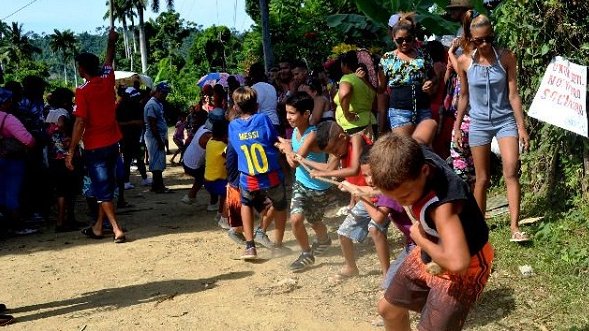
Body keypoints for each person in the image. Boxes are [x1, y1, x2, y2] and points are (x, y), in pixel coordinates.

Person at [370, 132, 493, 331]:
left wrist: (419, 238)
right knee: (388, 310)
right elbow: (428, 125)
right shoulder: (415, 154)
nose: (402, 203)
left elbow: (458, 263)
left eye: (406, 195)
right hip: (431, 250)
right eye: (395, 198)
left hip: (464, 265)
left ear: (425, 170)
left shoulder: (442, 207)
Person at [453, 13, 531, 242]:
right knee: (482, 178)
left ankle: (515, 227)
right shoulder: (464, 61)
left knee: (511, 170)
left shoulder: (506, 57)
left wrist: (522, 127)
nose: (485, 44)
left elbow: (513, 94)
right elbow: (464, 97)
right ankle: (479, 227)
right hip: (478, 123)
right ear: (472, 39)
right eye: (479, 40)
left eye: (488, 39)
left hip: (505, 120)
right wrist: (457, 127)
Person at [308, 121, 389, 279]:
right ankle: (351, 267)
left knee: (375, 229)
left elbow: (353, 169)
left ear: (342, 137)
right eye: (331, 152)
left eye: (335, 150)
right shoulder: (338, 149)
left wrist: (324, 175)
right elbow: (328, 168)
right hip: (364, 198)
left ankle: (387, 273)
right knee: (343, 233)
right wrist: (309, 165)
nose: (336, 154)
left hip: (379, 195)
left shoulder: (356, 139)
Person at [66, 28, 126, 243]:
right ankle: (98, 227)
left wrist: (71, 151)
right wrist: (112, 41)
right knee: (106, 186)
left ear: (81, 69)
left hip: (95, 145)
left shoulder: (82, 91)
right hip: (112, 141)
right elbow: (109, 59)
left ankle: (117, 229)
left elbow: (80, 122)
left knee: (102, 190)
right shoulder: (107, 78)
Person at [228, 87, 288, 259]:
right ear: (256, 105)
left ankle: (250, 247)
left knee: (246, 203)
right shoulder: (263, 119)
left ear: (236, 107)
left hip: (249, 176)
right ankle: (278, 245)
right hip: (271, 174)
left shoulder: (233, 126)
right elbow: (273, 139)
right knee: (280, 205)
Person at [275, 92, 332, 271]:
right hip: (301, 184)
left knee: (315, 221)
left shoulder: (312, 134)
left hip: (318, 187)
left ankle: (324, 240)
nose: (288, 117)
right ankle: (307, 253)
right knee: (296, 219)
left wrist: (287, 148)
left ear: (306, 114)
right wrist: (286, 144)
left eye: (292, 113)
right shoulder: (295, 132)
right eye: (287, 113)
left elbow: (294, 162)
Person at [379, 13, 437, 144]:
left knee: (425, 151)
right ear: (393, 39)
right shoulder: (387, 58)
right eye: (400, 40)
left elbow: (434, 77)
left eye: (408, 39)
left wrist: (430, 82)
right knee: (404, 150)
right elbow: (381, 88)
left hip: (423, 109)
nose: (404, 43)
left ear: (413, 38)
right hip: (400, 111)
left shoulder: (423, 55)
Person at [45, 87, 83, 232]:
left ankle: (62, 221)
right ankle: (66, 220)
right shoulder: (62, 112)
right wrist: (68, 130)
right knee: (70, 190)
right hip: (66, 156)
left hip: (54, 157)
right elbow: (61, 124)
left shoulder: (50, 112)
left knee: (61, 190)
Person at [0, 88, 36, 235]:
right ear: (6, 102)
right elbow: (28, 140)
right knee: (12, 192)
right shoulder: (7, 119)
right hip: (10, 161)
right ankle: (17, 226)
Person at [116, 86, 151, 189]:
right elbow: (118, 122)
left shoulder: (136, 106)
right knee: (127, 159)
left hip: (135, 136)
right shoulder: (121, 107)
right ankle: (126, 181)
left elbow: (141, 121)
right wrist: (132, 123)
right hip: (127, 138)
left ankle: (144, 178)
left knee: (139, 158)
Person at [335, 51, 376, 136]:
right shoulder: (366, 82)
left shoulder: (347, 78)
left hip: (354, 125)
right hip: (371, 122)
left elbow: (344, 93)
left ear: (345, 65)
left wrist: (347, 114)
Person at [144, 82, 172, 194]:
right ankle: (159, 186)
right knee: (156, 162)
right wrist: (159, 140)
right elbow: (152, 124)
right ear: (158, 92)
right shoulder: (151, 105)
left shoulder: (158, 104)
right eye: (164, 93)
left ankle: (156, 186)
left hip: (157, 136)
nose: (165, 96)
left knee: (158, 161)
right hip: (153, 137)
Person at [204, 119, 230, 229]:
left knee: (223, 195)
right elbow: (229, 156)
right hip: (217, 181)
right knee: (228, 194)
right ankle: (223, 217)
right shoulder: (222, 146)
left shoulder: (210, 141)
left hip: (208, 181)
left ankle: (219, 214)